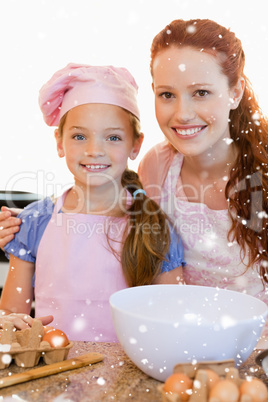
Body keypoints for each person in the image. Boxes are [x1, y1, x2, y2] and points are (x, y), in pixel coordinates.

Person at [0, 63, 185, 342]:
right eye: (79, 136)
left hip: (131, 375)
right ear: (60, 143)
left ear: (135, 145)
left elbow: (176, 317)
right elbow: (11, 315)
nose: (94, 150)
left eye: (113, 137)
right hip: (54, 369)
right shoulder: (34, 222)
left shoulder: (154, 226)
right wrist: (10, 324)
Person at [138, 18, 268, 340]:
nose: (182, 113)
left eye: (201, 92)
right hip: (187, 343)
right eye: (167, 95)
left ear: (234, 93)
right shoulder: (157, 167)